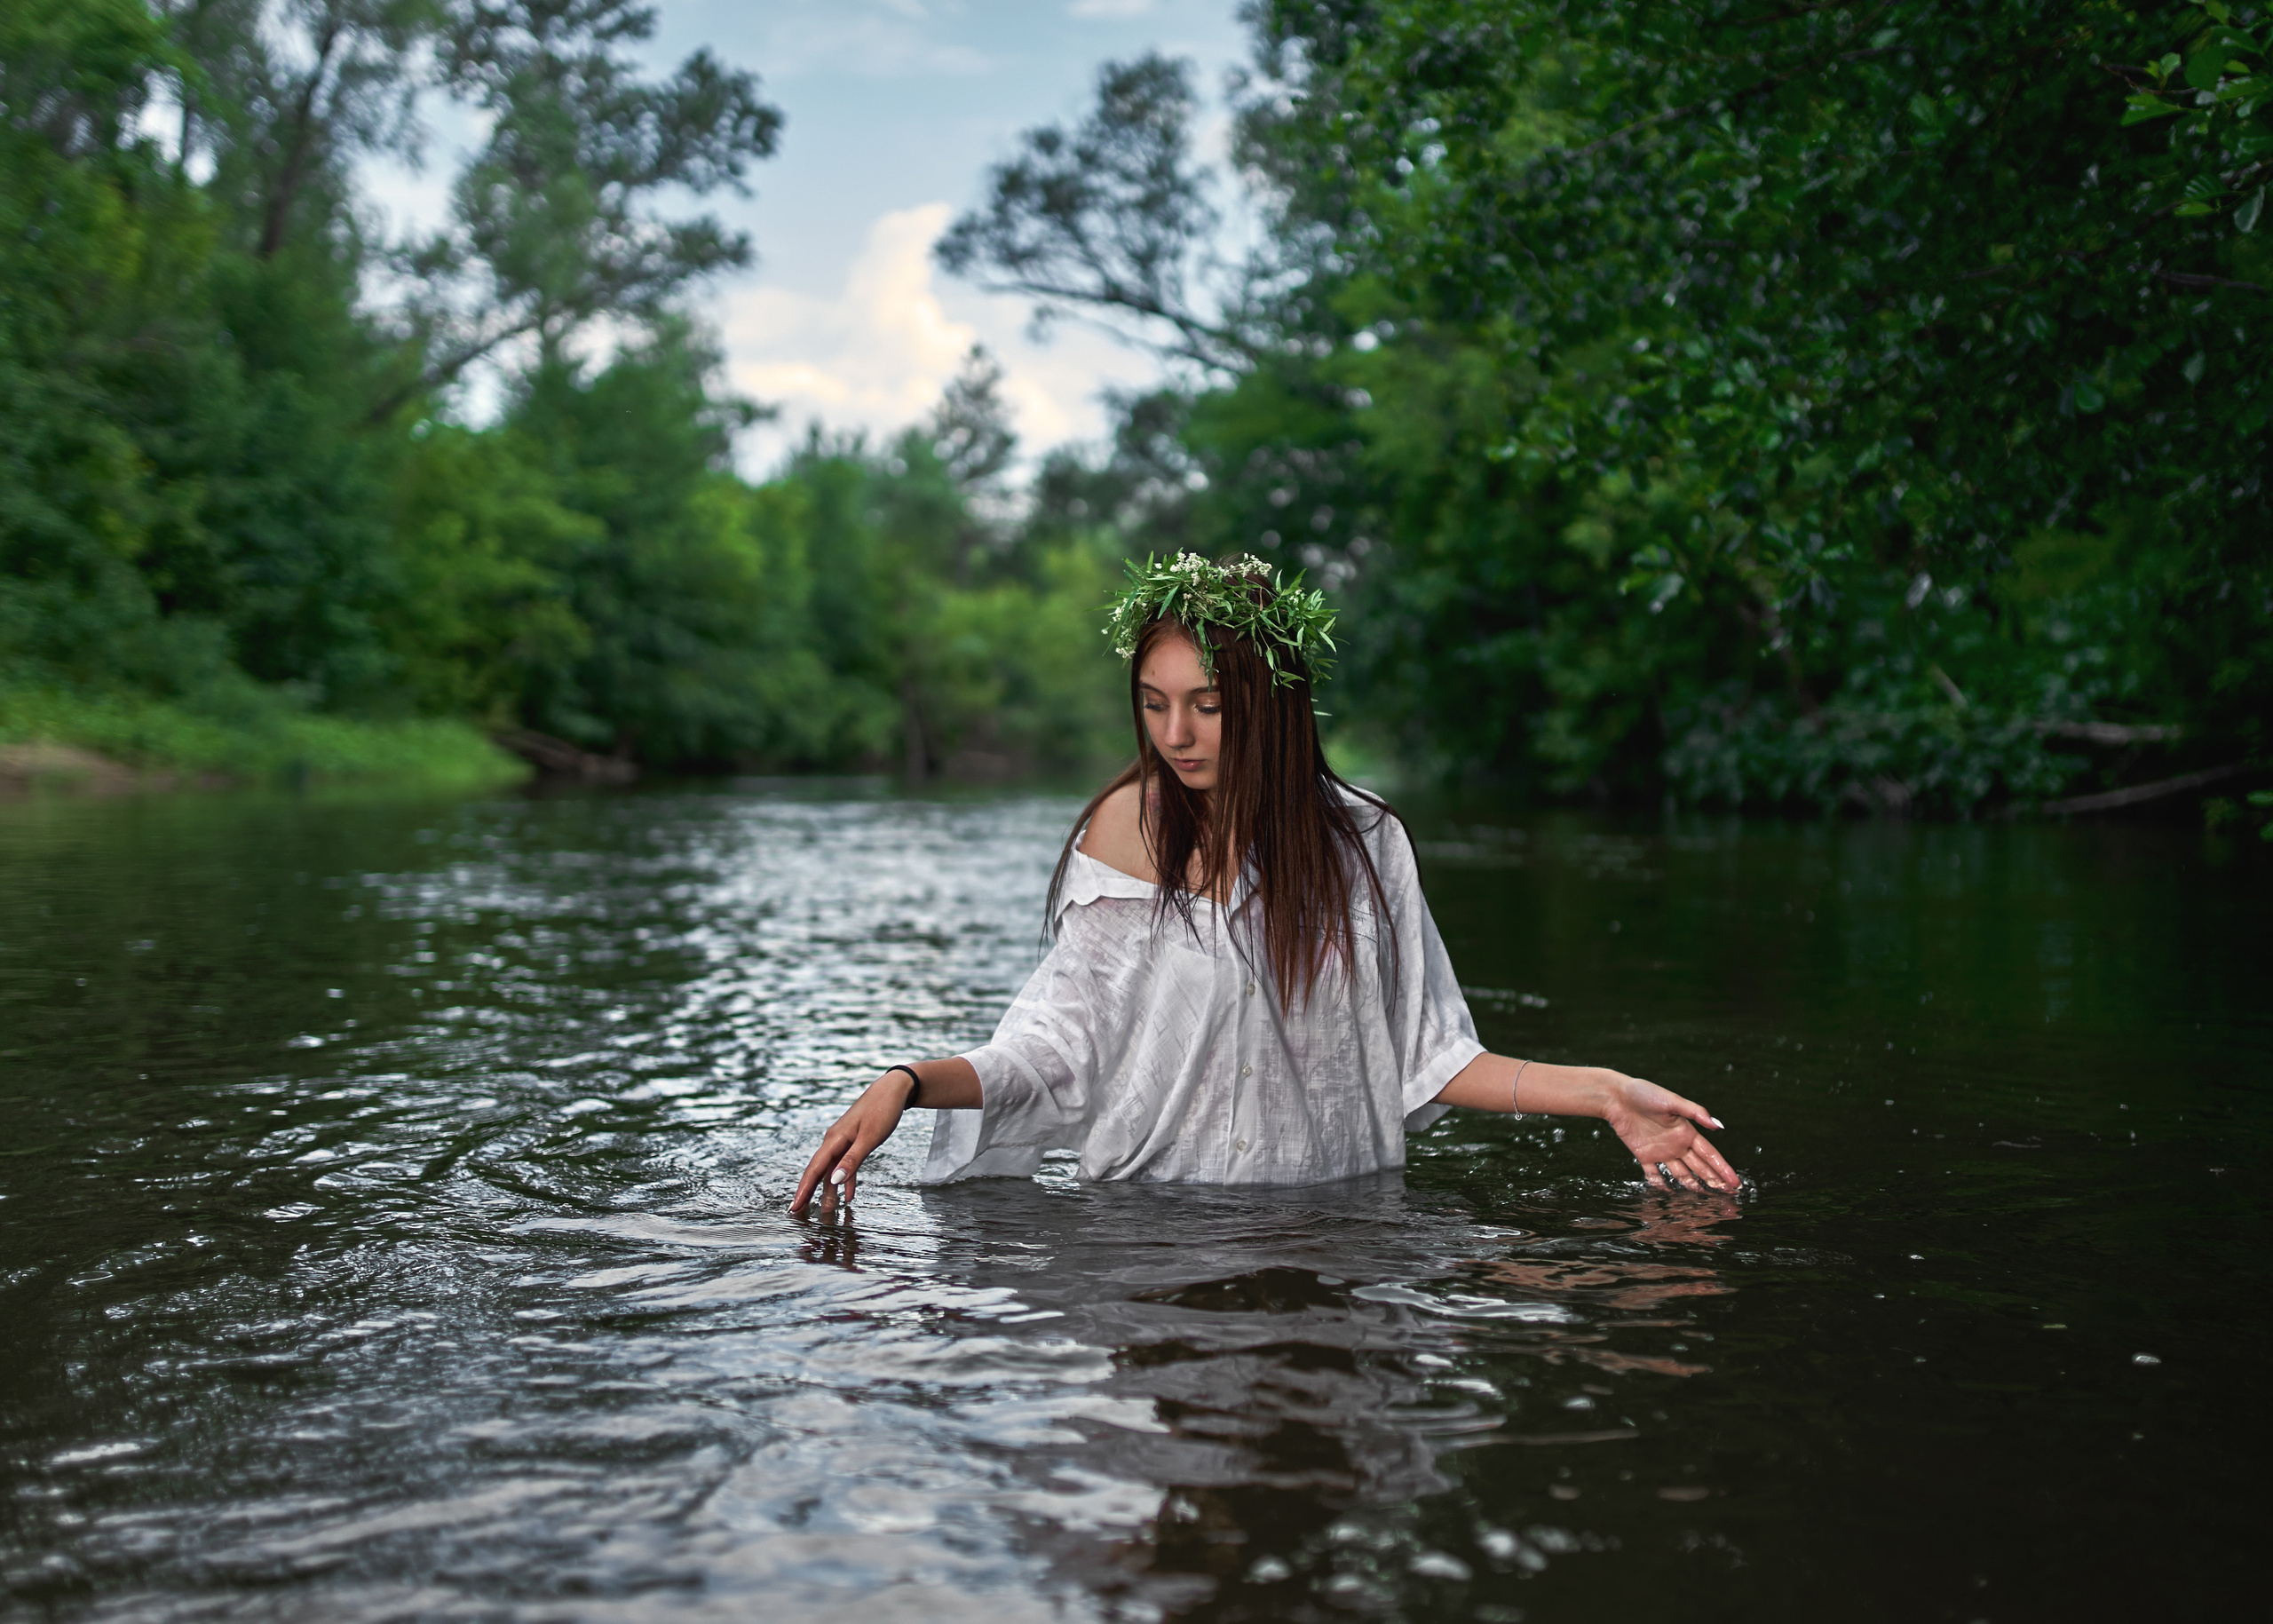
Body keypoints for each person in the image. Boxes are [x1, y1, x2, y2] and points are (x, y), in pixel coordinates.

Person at [790, 553, 1738, 1215]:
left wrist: (1607, 1093)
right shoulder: (1118, 833)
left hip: (1337, 1224)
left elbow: (1430, 1054)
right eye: (1155, 704)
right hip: (1146, 1231)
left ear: (1272, 702)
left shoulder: (1365, 841)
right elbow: (1055, 1051)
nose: (1176, 734)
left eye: (1208, 703)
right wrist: (909, 1080)